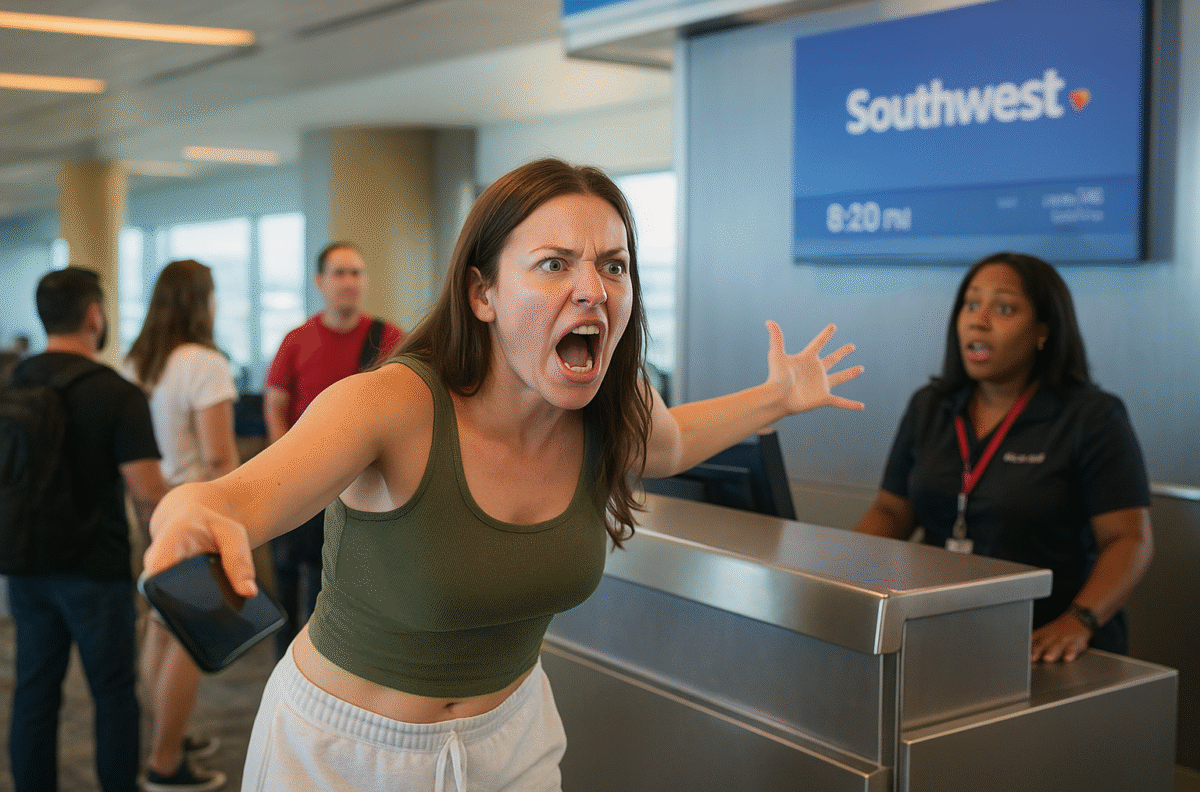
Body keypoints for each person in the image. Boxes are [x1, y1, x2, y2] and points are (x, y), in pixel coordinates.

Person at [143, 158, 864, 791]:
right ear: (482, 294)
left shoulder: (612, 401)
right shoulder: (389, 404)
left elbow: (668, 447)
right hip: (346, 755)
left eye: (614, 265)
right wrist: (189, 514)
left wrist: (778, 397)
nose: (594, 289)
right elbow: (228, 500)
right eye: (555, 263)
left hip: (510, 744)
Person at [854, 251, 1153, 663]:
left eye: (1005, 308)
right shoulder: (931, 406)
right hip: (943, 634)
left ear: (1043, 331)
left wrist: (1078, 621)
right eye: (972, 304)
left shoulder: (1092, 417)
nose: (979, 320)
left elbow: (1128, 540)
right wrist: (836, 573)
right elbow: (891, 512)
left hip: (1048, 645)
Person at [7, 267, 169, 792]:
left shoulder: (12, 384)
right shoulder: (117, 394)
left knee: (34, 689)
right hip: (96, 569)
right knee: (114, 693)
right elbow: (147, 493)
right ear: (95, 315)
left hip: (25, 562)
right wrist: (161, 557)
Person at [124, 260, 240, 791]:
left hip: (151, 515)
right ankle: (165, 765)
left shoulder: (137, 361)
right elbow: (219, 458)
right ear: (201, 301)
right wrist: (239, 520)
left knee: (160, 628)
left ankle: (165, 737)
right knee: (190, 639)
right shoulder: (204, 363)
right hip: (196, 515)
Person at [262, 241, 404, 657]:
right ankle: (283, 669)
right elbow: (276, 402)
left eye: (356, 273)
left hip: (361, 484)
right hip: (301, 477)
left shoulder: (390, 338)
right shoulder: (298, 339)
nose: (349, 282)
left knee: (336, 583)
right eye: (339, 273)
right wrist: (284, 460)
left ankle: (325, 666)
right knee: (289, 578)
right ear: (320, 282)